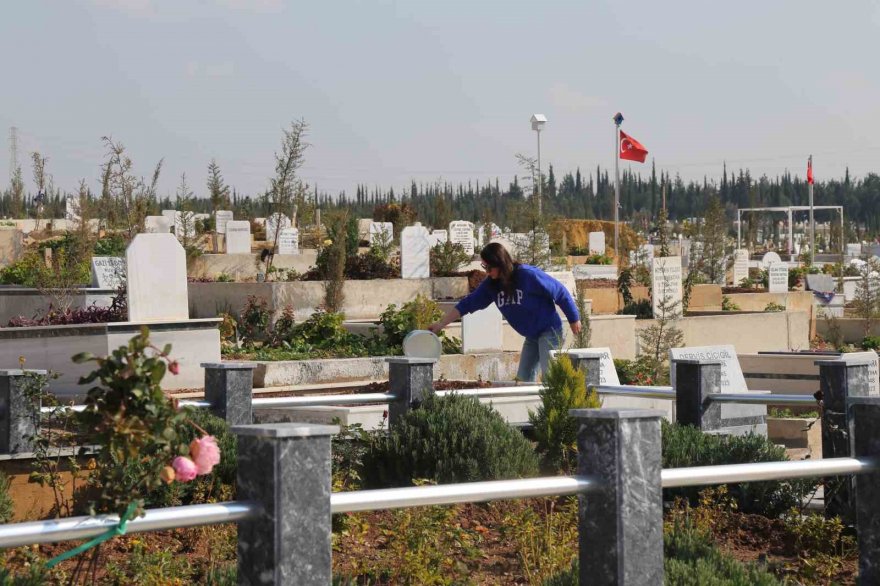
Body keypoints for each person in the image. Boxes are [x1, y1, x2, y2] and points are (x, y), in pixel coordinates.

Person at [429, 242, 581, 381]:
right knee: (523, 379)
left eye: (489, 267)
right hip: (532, 336)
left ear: (500, 263)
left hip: (549, 331)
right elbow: (467, 304)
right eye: (484, 267)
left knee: (550, 377)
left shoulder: (528, 275)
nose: (487, 272)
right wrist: (440, 324)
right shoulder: (491, 285)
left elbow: (560, 292)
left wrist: (574, 318)